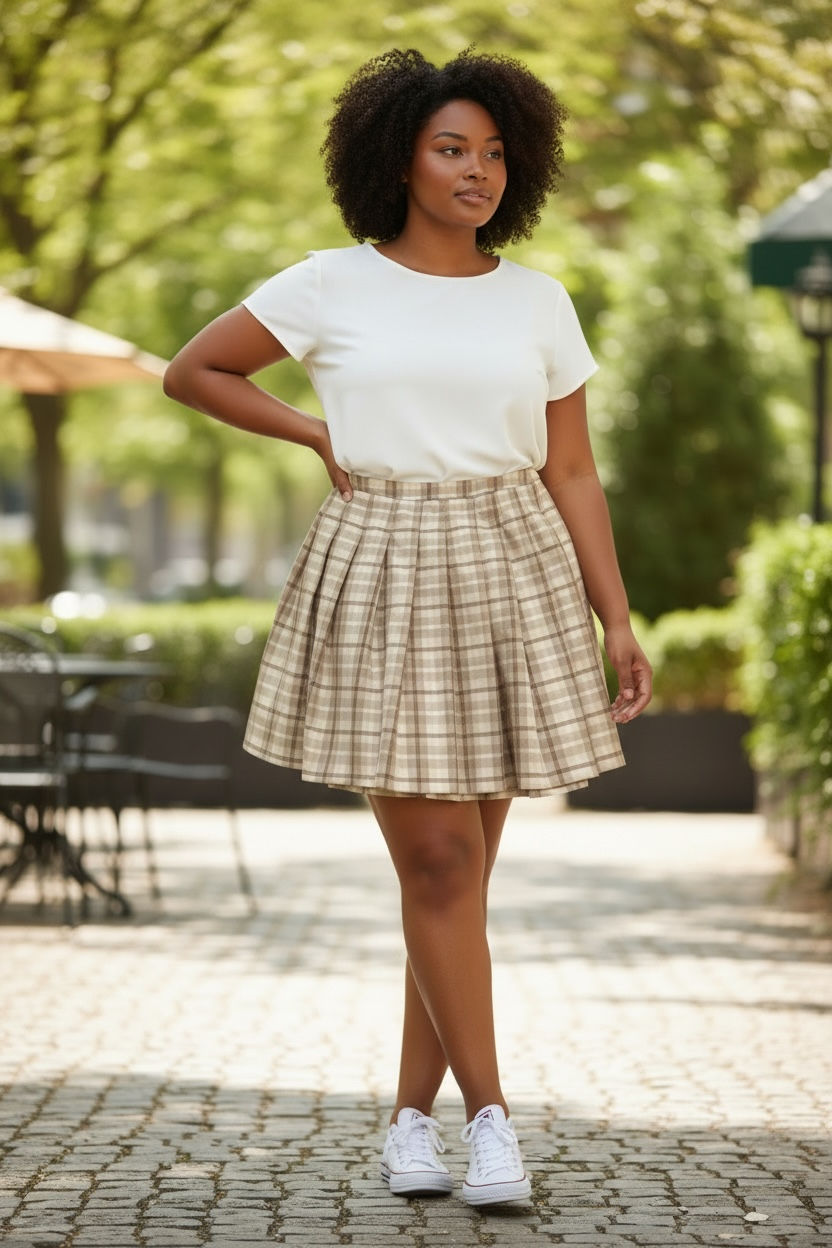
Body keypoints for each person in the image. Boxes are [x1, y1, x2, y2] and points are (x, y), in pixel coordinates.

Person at [163, 46, 652, 1208]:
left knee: (458, 882)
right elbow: (194, 371)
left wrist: (617, 620)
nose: (475, 170)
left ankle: (405, 1124)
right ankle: (490, 1121)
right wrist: (312, 434)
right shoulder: (329, 285)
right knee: (435, 861)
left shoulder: (538, 300)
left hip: (513, 562)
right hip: (383, 561)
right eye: (450, 149)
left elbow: (573, 470)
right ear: (398, 156)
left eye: (493, 153)